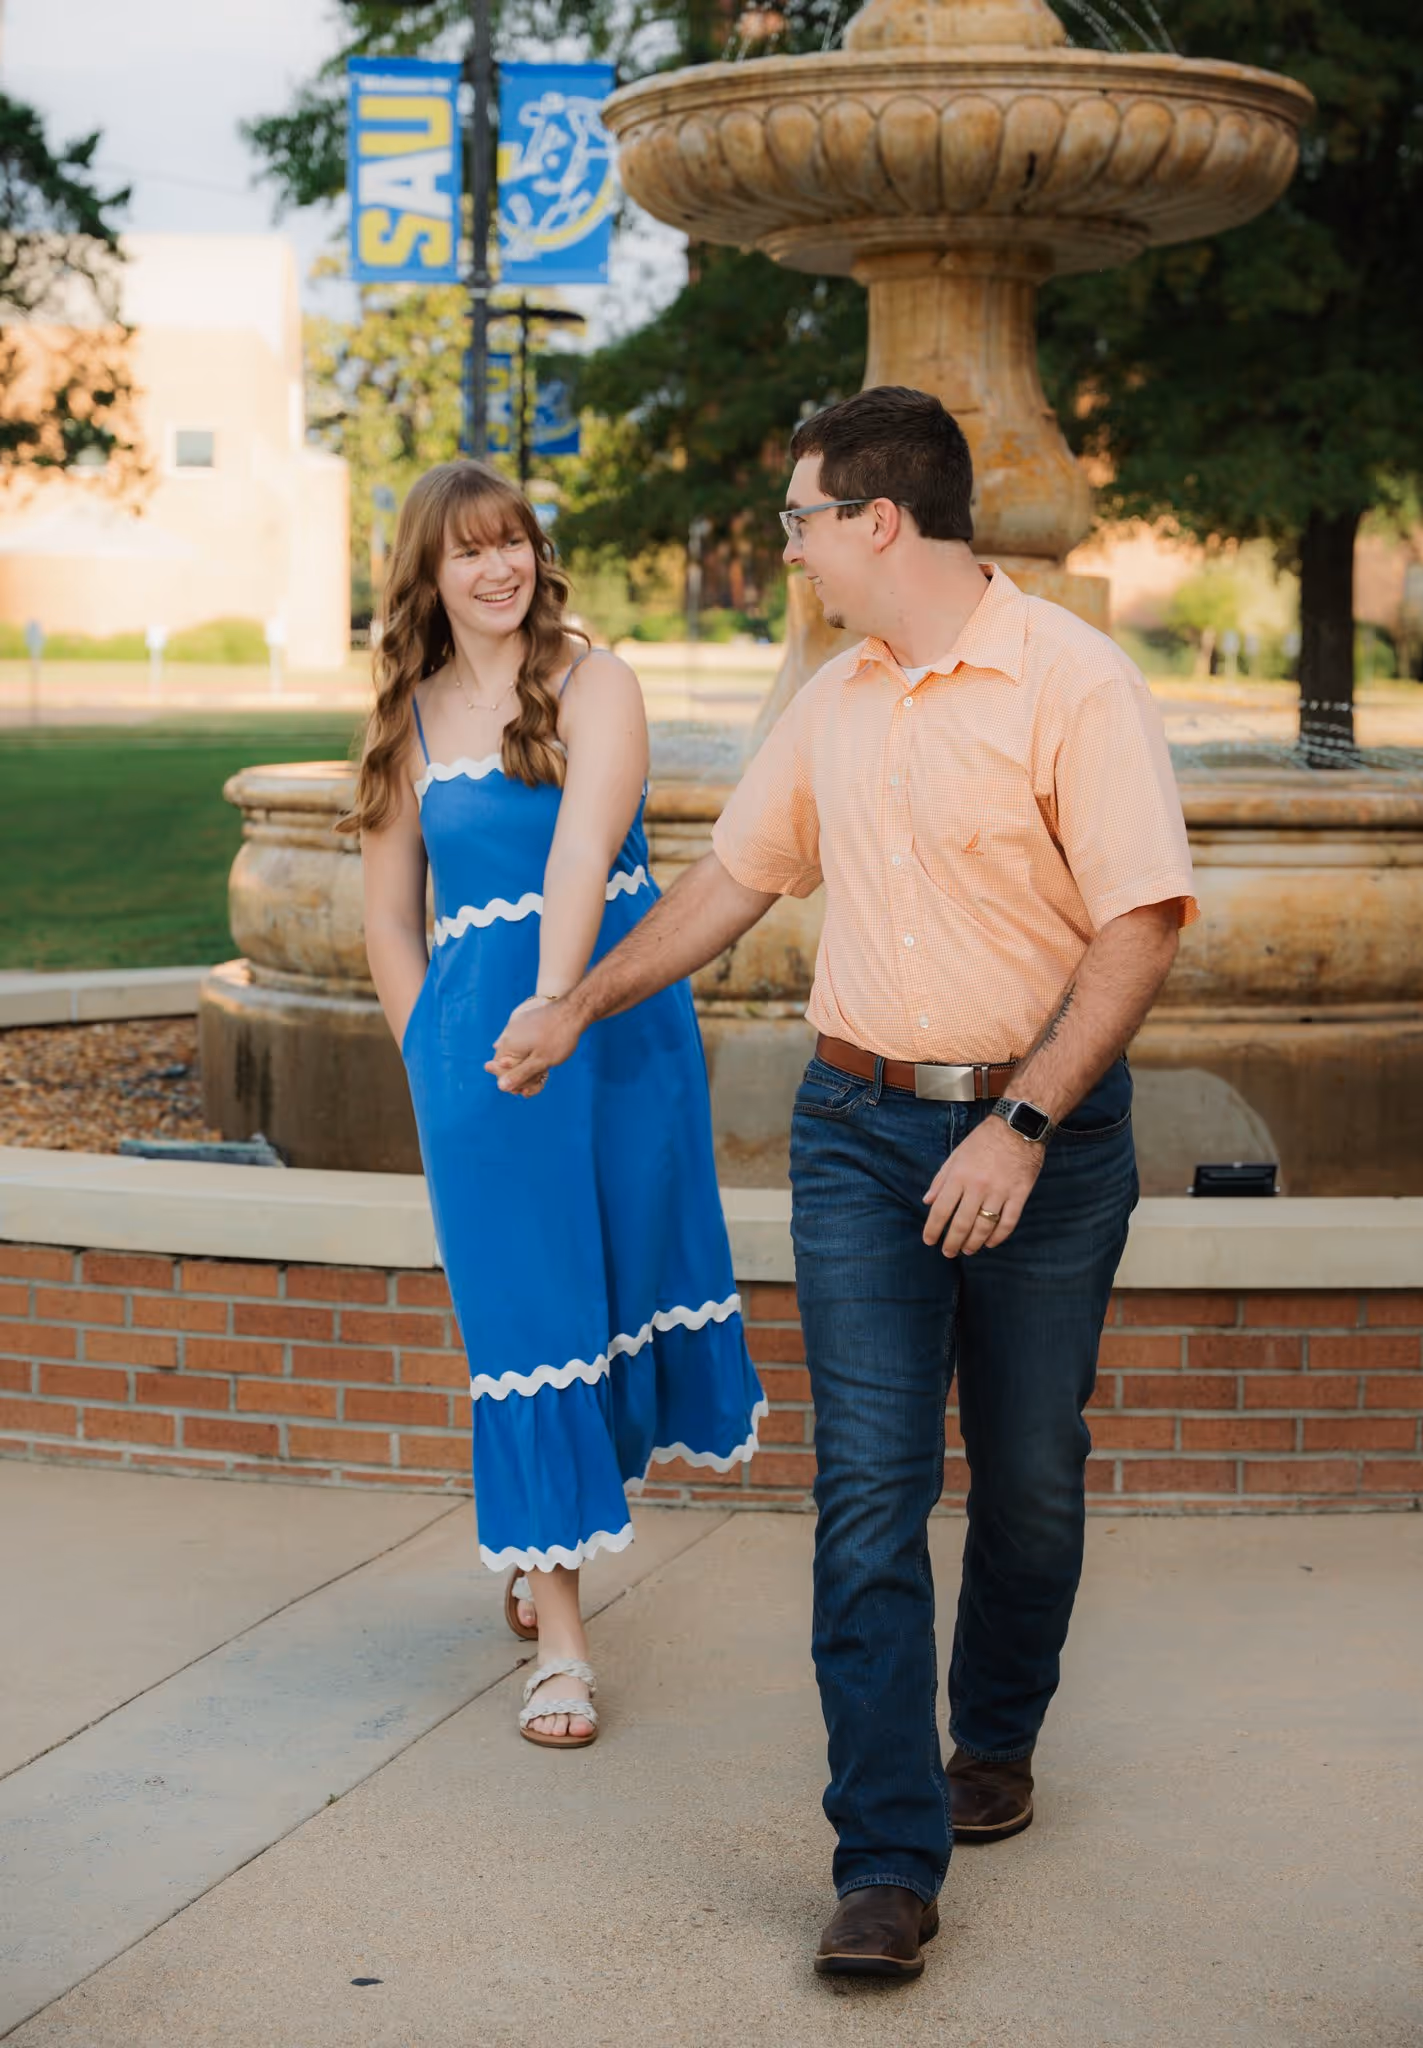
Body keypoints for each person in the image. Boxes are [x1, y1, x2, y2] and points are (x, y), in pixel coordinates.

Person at [490, 385, 1197, 1973]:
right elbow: (732, 880)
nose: (789, 545)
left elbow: (1137, 923)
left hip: (1044, 1143)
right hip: (859, 1133)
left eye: (802, 518)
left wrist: (1017, 1126)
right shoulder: (835, 696)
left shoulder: (1070, 684)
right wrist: (576, 1000)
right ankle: (884, 1857)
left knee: (1024, 1473)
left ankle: (993, 1736)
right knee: (869, 1488)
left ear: (879, 521)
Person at [348, 460, 765, 1752]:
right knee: (528, 1327)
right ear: (426, 574)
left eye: (512, 543)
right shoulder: (406, 723)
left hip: (614, 1033)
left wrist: (553, 1008)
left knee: (619, 1295)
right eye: (467, 552)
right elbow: (384, 918)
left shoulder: (598, 683)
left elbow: (585, 851)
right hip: (479, 1065)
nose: (496, 569)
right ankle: (565, 1642)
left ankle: (551, 1531)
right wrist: (434, 1053)